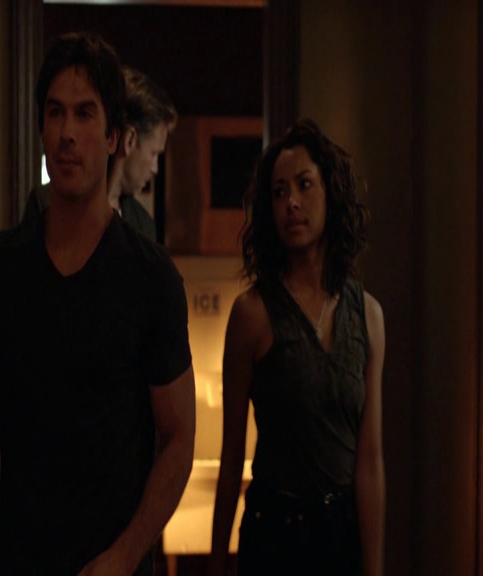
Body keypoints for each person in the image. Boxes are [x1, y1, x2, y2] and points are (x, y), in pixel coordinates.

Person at [0, 32, 195, 576]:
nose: (66, 134)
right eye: (55, 113)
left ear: (113, 137)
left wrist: (126, 555)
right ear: (40, 129)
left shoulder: (150, 276)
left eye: (85, 114)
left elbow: (179, 438)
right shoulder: (3, 265)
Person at [208, 119, 385, 576]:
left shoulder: (367, 315)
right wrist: (217, 562)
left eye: (304, 185)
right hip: (276, 534)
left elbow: (369, 462)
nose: (291, 203)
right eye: (279, 192)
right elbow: (231, 455)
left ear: (330, 193)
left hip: (341, 534)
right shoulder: (253, 314)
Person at [24, 65, 177, 244]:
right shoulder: (47, 203)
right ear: (129, 140)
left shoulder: (143, 224)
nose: (155, 168)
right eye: (153, 153)